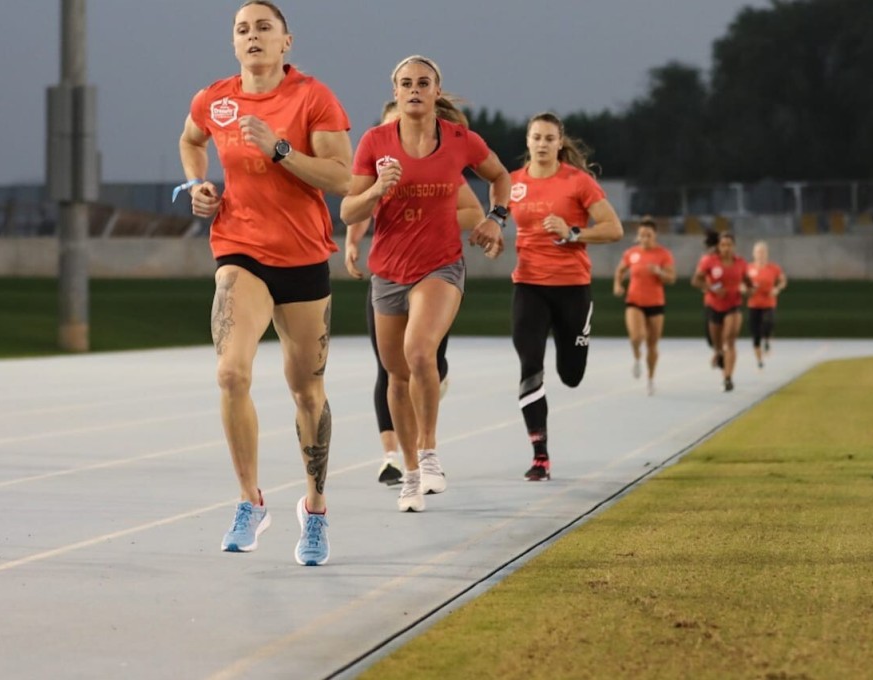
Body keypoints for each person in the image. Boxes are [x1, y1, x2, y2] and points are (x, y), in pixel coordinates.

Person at [176, 0, 352, 566]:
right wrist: (198, 184)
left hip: (302, 257)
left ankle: (316, 509)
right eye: (242, 29)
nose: (252, 36)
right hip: (239, 250)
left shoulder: (312, 97)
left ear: (286, 42)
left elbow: (341, 177)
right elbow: (190, 138)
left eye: (263, 28)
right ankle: (250, 500)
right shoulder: (214, 98)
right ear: (234, 43)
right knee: (230, 373)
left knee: (307, 391)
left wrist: (278, 149)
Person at [340, 55, 510, 512]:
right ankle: (411, 473)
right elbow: (348, 212)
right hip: (388, 272)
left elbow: (500, 176)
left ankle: (431, 455)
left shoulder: (460, 141)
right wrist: (377, 189)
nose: (414, 89)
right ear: (395, 92)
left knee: (420, 352)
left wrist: (496, 219)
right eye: (406, 83)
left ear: (437, 91)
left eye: (423, 82)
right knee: (396, 374)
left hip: (440, 267)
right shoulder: (375, 142)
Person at [508, 112, 624, 481]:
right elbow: (493, 217)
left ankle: (572, 348)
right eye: (536, 137)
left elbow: (614, 229)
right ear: (527, 142)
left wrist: (573, 232)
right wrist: (492, 235)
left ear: (560, 143)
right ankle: (539, 454)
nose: (541, 144)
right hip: (528, 286)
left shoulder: (579, 182)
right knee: (530, 366)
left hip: (572, 287)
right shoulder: (512, 184)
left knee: (571, 375)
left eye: (548, 138)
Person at [613, 216, 676, 395]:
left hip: (655, 302)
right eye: (642, 235)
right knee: (636, 337)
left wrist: (659, 272)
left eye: (648, 235)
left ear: (654, 235)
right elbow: (620, 270)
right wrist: (617, 285)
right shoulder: (631, 253)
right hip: (634, 301)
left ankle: (650, 378)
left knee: (652, 344)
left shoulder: (663, 254)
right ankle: (636, 357)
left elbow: (671, 278)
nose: (645, 238)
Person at [691, 232, 754, 392]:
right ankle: (718, 353)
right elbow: (696, 281)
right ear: (718, 247)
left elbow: (749, 285)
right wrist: (712, 288)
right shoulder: (709, 261)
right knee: (717, 343)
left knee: (730, 340)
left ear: (734, 246)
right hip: (714, 306)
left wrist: (748, 291)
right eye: (723, 245)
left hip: (734, 305)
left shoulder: (740, 263)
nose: (726, 248)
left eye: (729, 245)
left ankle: (728, 378)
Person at [746, 240, 787, 368]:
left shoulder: (773, 268)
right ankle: (759, 361)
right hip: (753, 304)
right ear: (753, 253)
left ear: (767, 254)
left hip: (768, 303)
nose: (761, 254)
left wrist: (777, 289)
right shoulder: (749, 268)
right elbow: (741, 283)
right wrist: (746, 290)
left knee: (768, 323)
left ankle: (768, 339)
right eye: (758, 252)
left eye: (763, 252)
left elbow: (783, 281)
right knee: (755, 334)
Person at [699, 229, 721, 359]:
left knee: (724, 333)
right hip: (711, 301)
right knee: (710, 336)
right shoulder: (706, 260)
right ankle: (718, 351)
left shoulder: (726, 259)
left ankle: (721, 354)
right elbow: (699, 279)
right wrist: (708, 287)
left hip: (727, 301)